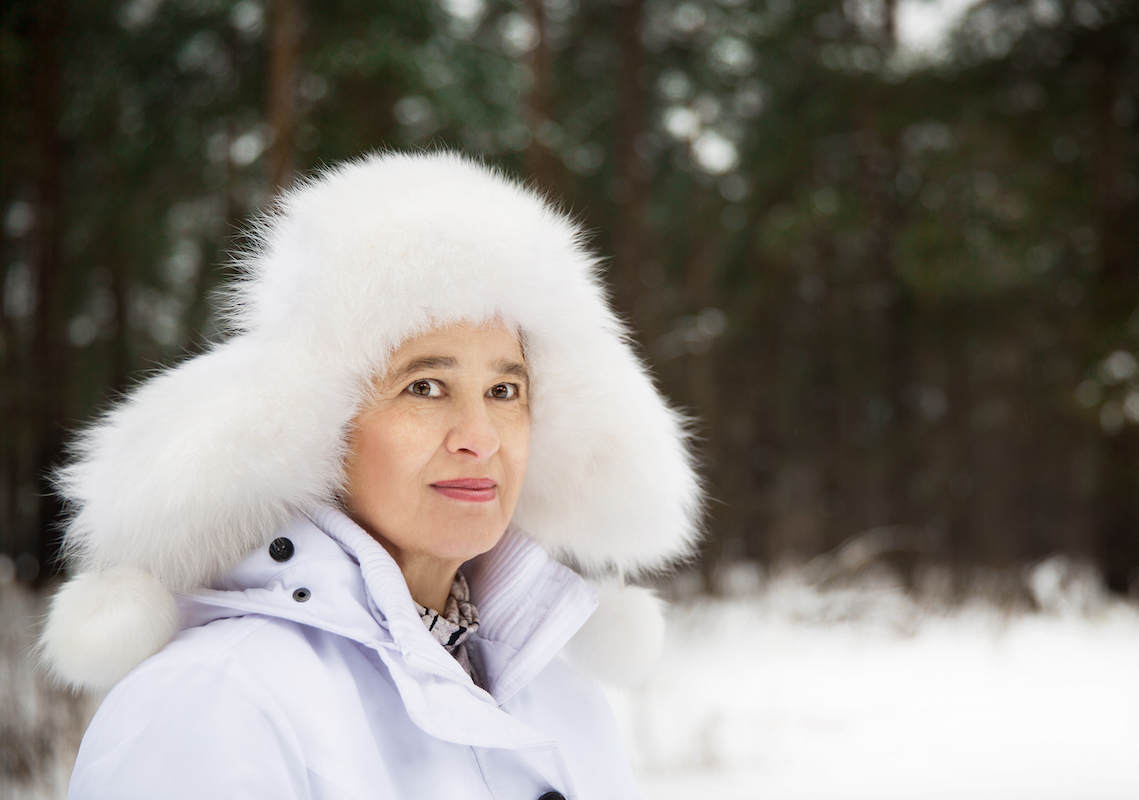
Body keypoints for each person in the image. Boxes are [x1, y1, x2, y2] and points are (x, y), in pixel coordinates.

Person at [39, 152, 703, 799]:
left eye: (505, 391)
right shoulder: (212, 701)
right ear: (321, 425)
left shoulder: (558, 689)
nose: (478, 438)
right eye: (425, 386)